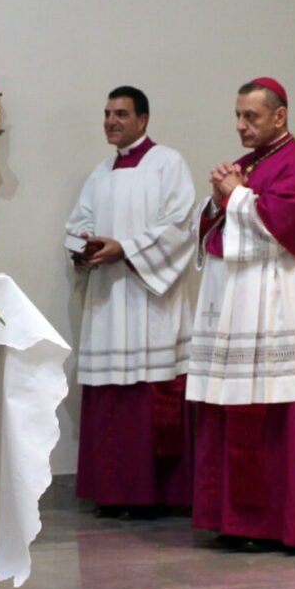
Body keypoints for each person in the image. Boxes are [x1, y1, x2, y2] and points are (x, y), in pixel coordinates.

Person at [185, 78, 295, 552]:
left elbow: (288, 223)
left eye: (251, 116)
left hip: (278, 305)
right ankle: (234, 521)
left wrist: (236, 196)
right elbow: (212, 231)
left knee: (277, 413)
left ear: (279, 116)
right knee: (234, 408)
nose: (241, 125)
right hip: (240, 307)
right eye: (237, 116)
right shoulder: (248, 165)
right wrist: (216, 200)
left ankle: (280, 525)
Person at [65, 86, 196, 519]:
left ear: (143, 120)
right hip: (108, 300)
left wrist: (126, 249)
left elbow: (179, 228)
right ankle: (114, 492)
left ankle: (153, 495)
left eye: (121, 113)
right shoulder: (100, 173)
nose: (111, 121)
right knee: (111, 401)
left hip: (148, 302)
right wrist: (83, 245)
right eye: (106, 113)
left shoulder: (167, 164)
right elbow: (79, 221)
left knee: (146, 397)